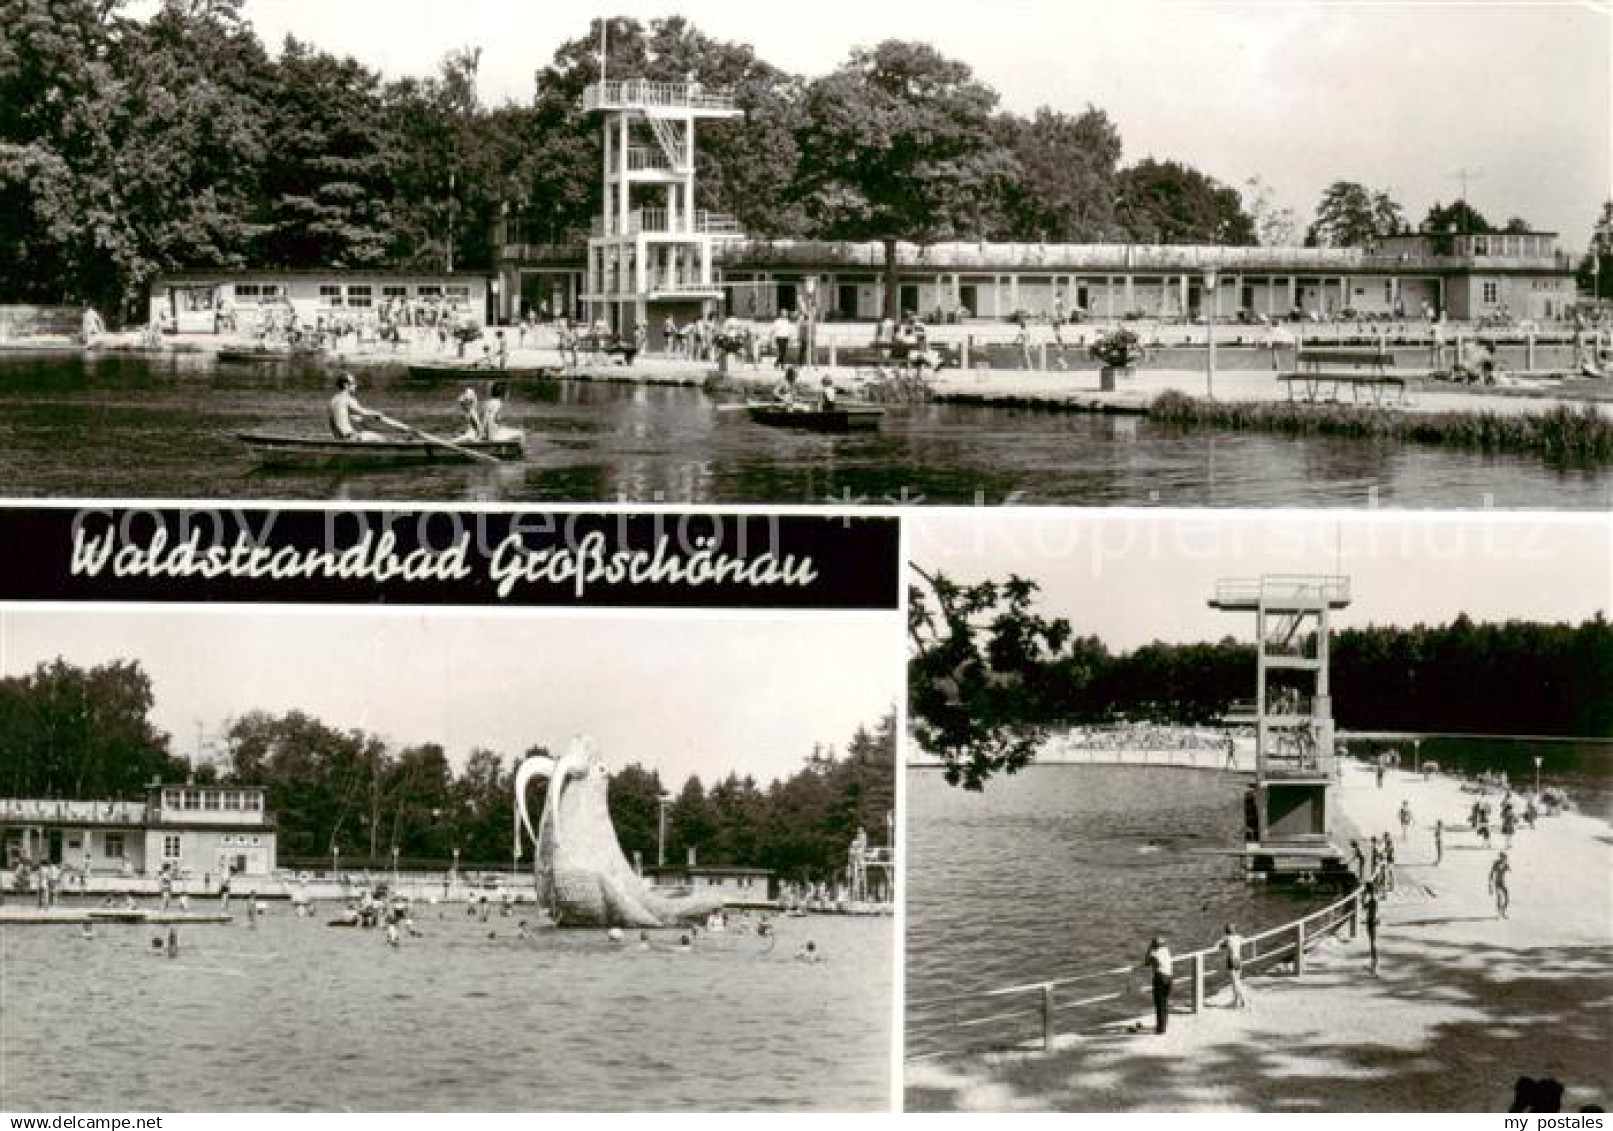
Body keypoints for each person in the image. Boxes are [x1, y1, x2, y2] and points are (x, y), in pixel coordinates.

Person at [328, 374, 388, 441]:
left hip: (338, 438)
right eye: (353, 383)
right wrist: (377, 413)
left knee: (368, 433)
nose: (356, 386)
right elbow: (363, 412)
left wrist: (362, 421)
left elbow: (336, 419)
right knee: (381, 438)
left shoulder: (333, 400)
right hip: (350, 437)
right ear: (346, 385)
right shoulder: (348, 399)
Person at [1142, 936, 1173, 1034]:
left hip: (1160, 978)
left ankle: (1160, 1029)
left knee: (1159, 1004)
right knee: (1165, 1002)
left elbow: (1147, 962)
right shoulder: (1166, 951)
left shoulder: (1155, 954)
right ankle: (1164, 1024)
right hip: (1169, 978)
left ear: (1154, 945)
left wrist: (1149, 949)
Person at [1219, 923, 1249, 1008]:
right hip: (1239, 959)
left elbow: (1217, 946)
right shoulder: (1239, 937)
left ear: (1225, 931)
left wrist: (1223, 943)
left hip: (1231, 960)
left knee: (1235, 982)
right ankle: (1236, 1001)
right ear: (1234, 930)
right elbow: (1244, 941)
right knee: (1237, 981)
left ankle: (1243, 1000)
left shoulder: (1226, 938)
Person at [1362, 884, 1380, 974]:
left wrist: (1363, 896)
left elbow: (1364, 907)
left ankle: (1375, 965)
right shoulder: (1373, 899)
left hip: (1371, 922)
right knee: (1372, 942)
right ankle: (1373, 963)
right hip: (1371, 921)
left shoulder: (1373, 900)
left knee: (1373, 942)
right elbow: (1365, 907)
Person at [1489, 851, 1511, 919]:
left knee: (1506, 898)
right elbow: (1491, 874)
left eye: (1505, 858)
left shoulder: (1506, 865)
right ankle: (1499, 913)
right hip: (1497, 883)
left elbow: (1510, 871)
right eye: (1503, 858)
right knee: (1499, 897)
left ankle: (1503, 912)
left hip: (1502, 883)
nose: (1504, 860)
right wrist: (1490, 886)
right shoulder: (1496, 863)